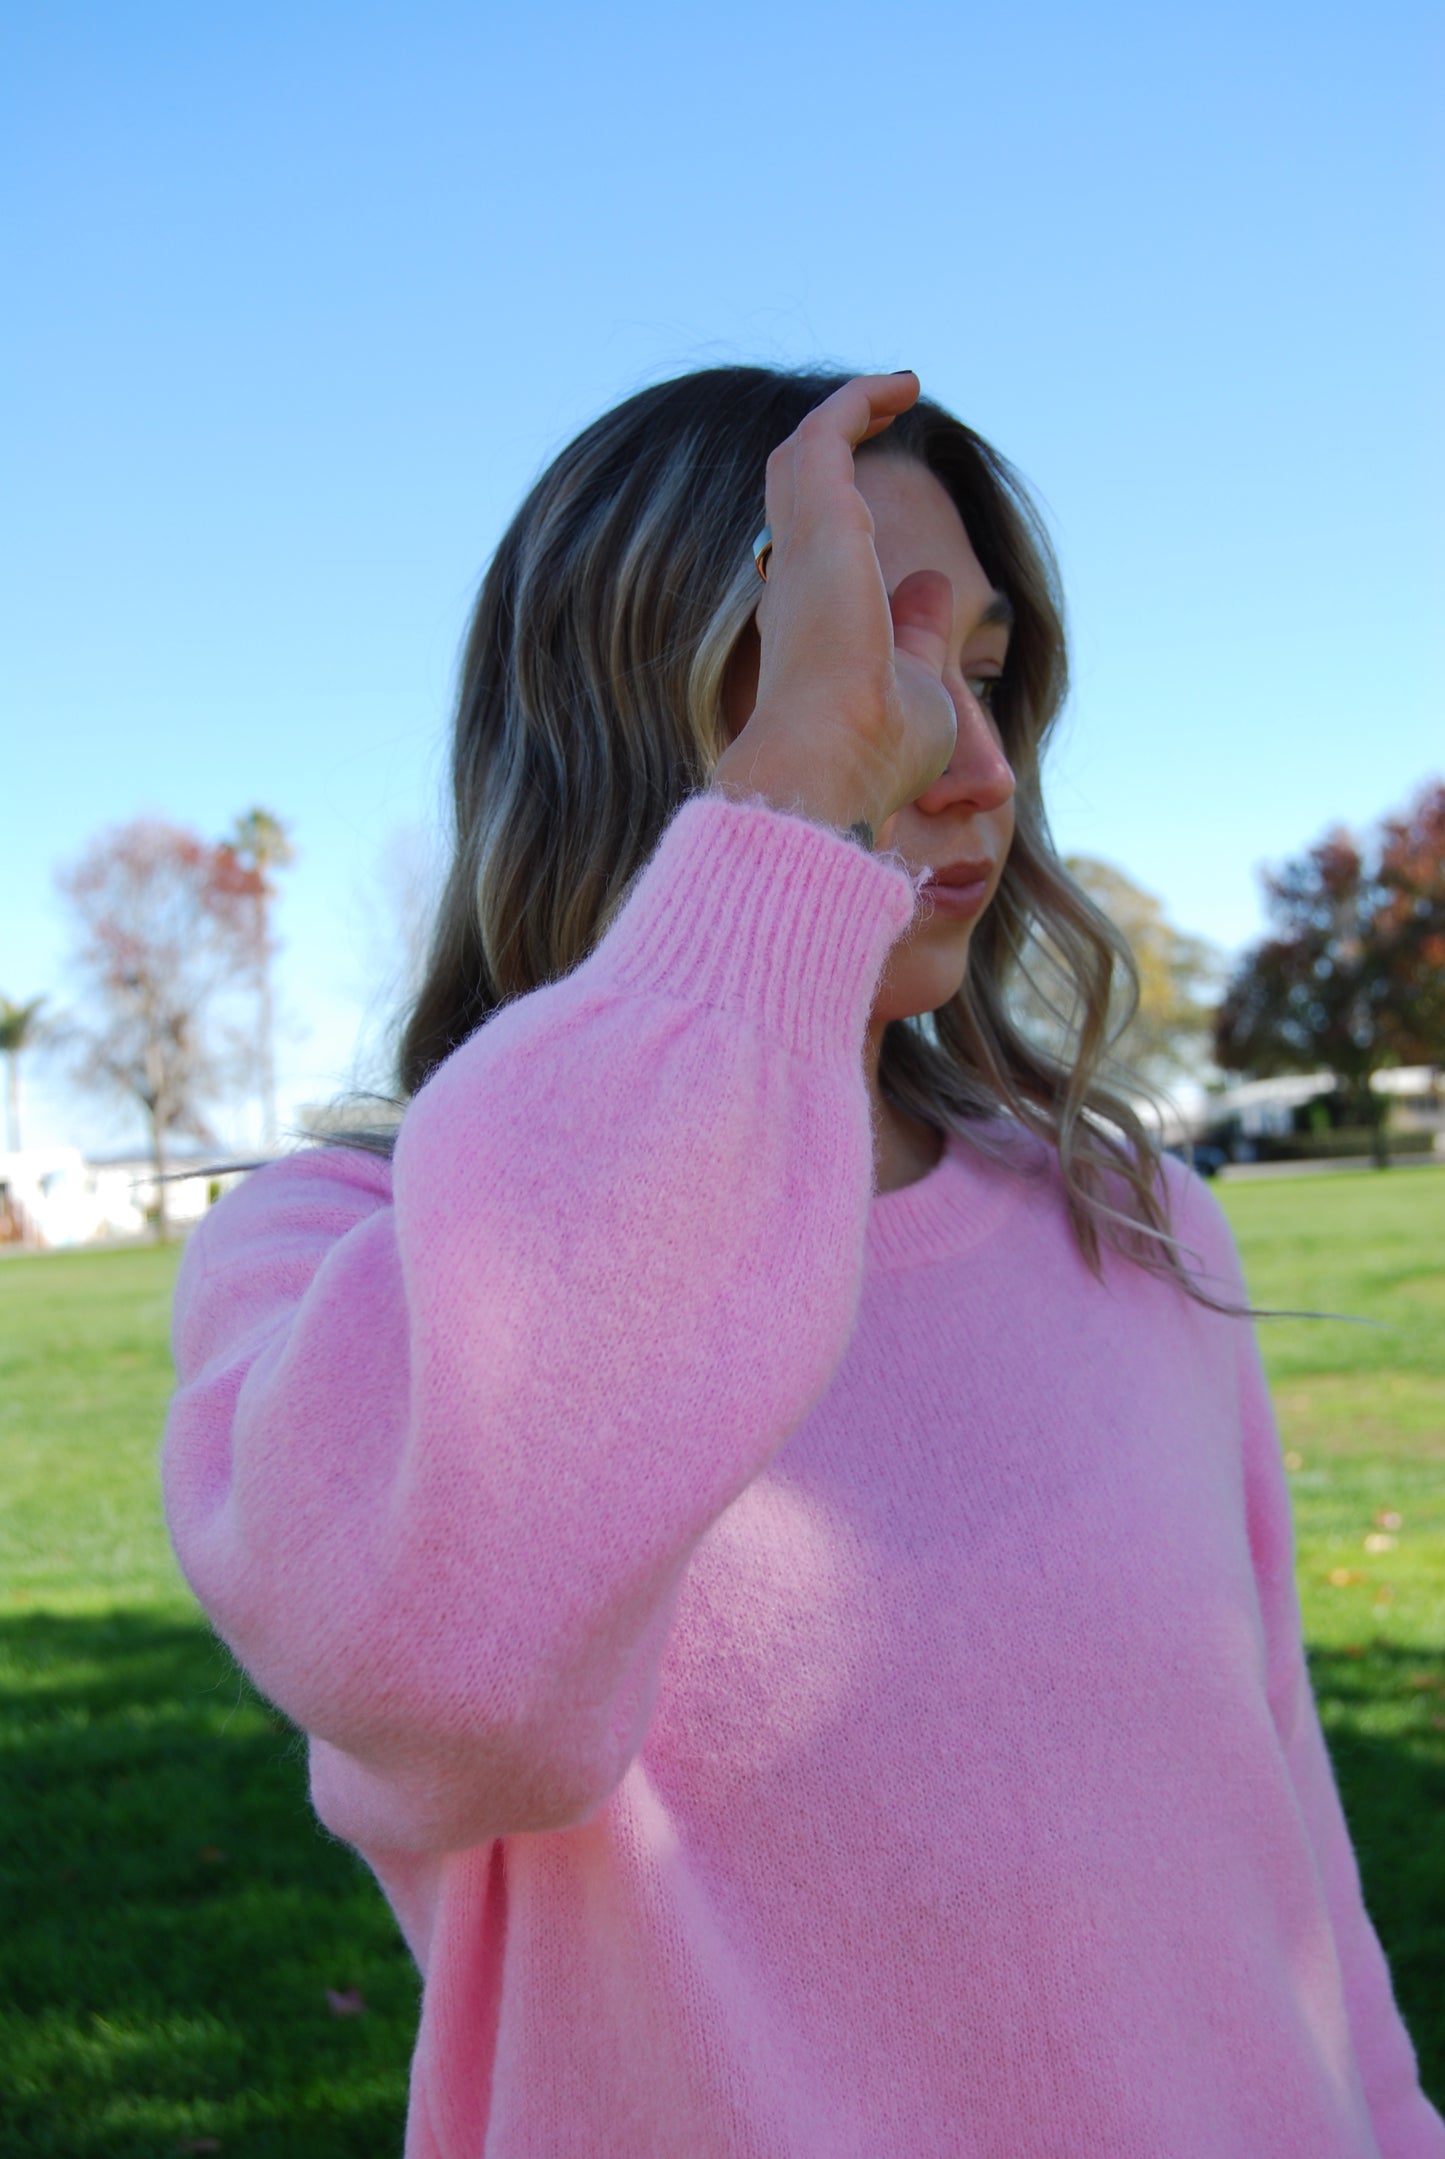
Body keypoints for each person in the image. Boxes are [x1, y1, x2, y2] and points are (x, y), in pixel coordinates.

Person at [162, 368, 1444, 2158]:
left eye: (983, 673)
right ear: (629, 712)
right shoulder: (339, 1266)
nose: (973, 765)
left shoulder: (1124, 1222)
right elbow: (451, 1686)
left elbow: (1284, 1844)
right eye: (870, 673)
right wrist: (783, 827)